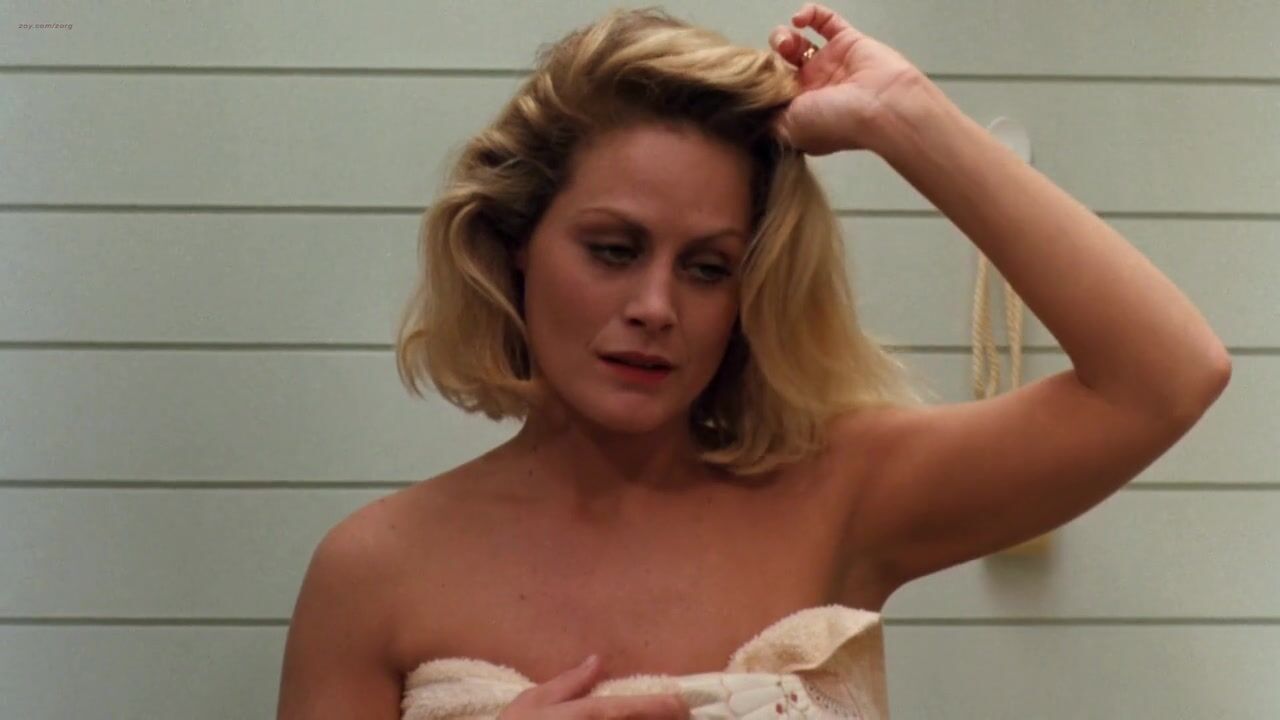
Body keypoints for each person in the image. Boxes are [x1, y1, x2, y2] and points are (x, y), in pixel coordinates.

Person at [277, 4, 1232, 719]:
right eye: (612, 249)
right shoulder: (375, 572)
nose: (655, 307)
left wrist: (903, 115)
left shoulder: (839, 493)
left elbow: (1167, 377)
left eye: (708, 268)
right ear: (514, 243)